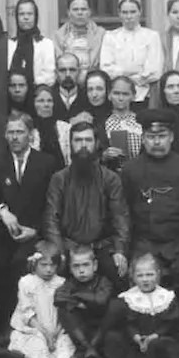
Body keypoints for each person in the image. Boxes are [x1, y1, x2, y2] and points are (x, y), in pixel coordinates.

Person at [121, 109, 179, 343]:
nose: (156, 142)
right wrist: (125, 249)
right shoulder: (131, 170)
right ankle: (146, 331)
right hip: (146, 240)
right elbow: (124, 212)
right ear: (143, 138)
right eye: (151, 136)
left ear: (171, 137)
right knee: (139, 272)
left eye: (162, 136)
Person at [0, 113, 58, 335]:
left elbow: (55, 205)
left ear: (31, 135)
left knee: (22, 263)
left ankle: (21, 328)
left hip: (35, 236)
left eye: (20, 132)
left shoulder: (46, 163)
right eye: (11, 132)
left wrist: (36, 230)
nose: (15, 137)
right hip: (2, 235)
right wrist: (2, 212)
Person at [43, 121, 130, 289]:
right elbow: (51, 219)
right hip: (68, 248)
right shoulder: (59, 179)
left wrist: (120, 251)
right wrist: (59, 252)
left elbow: (120, 218)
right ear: (70, 144)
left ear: (96, 143)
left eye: (88, 140)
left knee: (118, 271)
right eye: (78, 140)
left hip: (102, 247)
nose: (83, 145)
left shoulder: (110, 179)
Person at [103, 254, 179, 358]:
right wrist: (137, 337)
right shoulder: (129, 298)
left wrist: (154, 336)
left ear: (158, 275)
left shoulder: (166, 296)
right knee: (114, 339)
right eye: (140, 276)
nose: (145, 279)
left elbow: (170, 323)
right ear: (133, 277)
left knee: (165, 345)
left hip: (160, 336)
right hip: (137, 340)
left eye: (150, 275)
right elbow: (129, 323)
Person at [8, 241, 74, 358]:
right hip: (35, 327)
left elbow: (65, 312)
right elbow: (27, 312)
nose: (48, 269)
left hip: (56, 327)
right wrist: (45, 334)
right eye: (43, 265)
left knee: (64, 345)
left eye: (52, 265)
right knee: (36, 345)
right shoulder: (27, 282)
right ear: (34, 264)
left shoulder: (61, 283)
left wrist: (55, 333)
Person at [54, 244, 115, 358]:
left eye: (86, 265)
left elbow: (101, 300)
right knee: (64, 310)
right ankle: (88, 349)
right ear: (70, 268)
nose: (81, 270)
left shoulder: (103, 281)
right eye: (76, 266)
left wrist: (77, 296)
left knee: (114, 308)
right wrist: (78, 303)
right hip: (80, 328)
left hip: (100, 328)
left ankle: (92, 349)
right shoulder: (70, 283)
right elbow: (59, 297)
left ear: (95, 265)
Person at [100, 0, 163, 110]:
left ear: (140, 12)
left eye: (133, 12)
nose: (129, 16)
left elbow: (155, 71)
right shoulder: (110, 37)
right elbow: (106, 69)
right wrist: (128, 71)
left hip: (144, 96)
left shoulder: (152, 36)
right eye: (125, 12)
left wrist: (135, 78)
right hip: (117, 96)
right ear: (119, 14)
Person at [53, 0, 105, 84]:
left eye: (83, 9)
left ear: (89, 12)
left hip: (94, 82)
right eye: (75, 9)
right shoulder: (59, 36)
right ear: (68, 12)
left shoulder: (101, 34)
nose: (80, 13)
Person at [8, 0, 56, 87]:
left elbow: (50, 76)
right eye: (21, 14)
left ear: (35, 17)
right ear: (17, 17)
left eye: (30, 14)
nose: (26, 17)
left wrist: (28, 84)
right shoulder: (9, 45)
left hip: (38, 91)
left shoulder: (46, 44)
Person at [101, 76, 143, 171]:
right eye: (116, 93)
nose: (120, 98)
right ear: (109, 95)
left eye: (125, 94)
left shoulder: (142, 121)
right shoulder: (102, 124)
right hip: (112, 174)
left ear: (133, 96)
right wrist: (104, 156)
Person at [30, 85, 71, 169]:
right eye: (41, 101)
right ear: (33, 104)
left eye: (49, 101)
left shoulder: (65, 128)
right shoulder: (29, 129)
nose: (46, 105)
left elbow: (70, 161)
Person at [52, 53, 90, 121]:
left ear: (79, 72)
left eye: (72, 70)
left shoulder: (88, 97)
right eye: (62, 70)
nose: (67, 75)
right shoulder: (48, 97)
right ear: (56, 73)